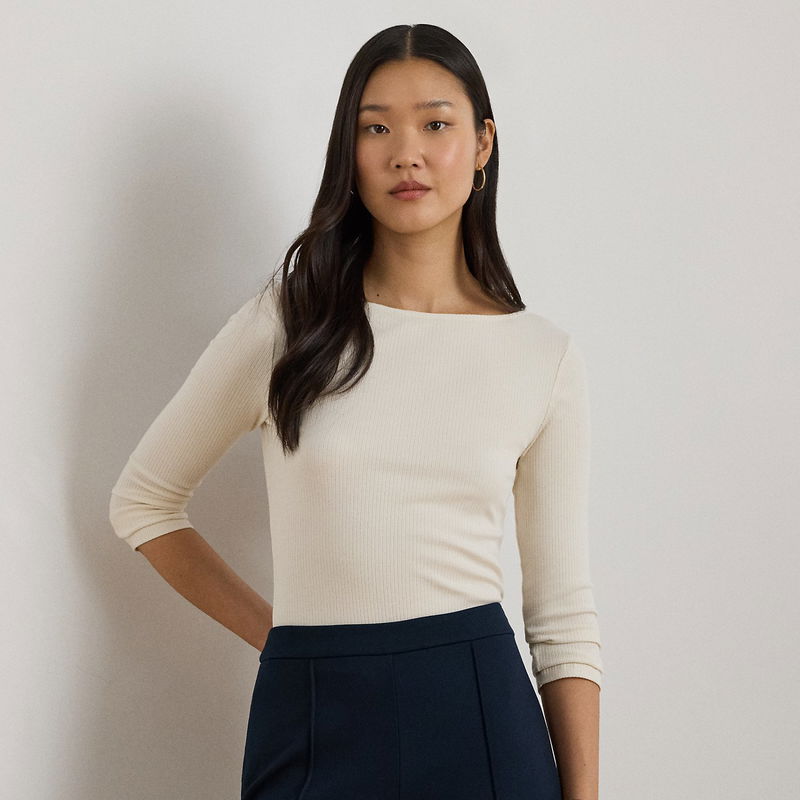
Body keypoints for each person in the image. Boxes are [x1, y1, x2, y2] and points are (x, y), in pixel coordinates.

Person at [109, 23, 603, 800]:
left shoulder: (541, 356)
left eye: (435, 124)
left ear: (482, 143)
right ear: (350, 151)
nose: (406, 153)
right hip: (313, 712)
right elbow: (143, 502)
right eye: (376, 129)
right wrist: (283, 639)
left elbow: (562, 618)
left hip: (478, 713)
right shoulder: (286, 326)